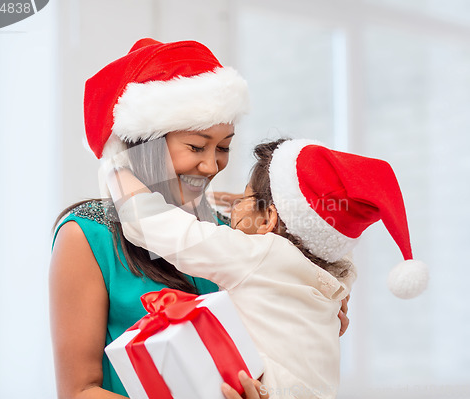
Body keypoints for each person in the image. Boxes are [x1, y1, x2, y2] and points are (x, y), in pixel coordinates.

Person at [49, 38, 350, 399]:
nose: (212, 166)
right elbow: (79, 391)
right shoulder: (88, 237)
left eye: (223, 147)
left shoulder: (227, 233)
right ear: (143, 143)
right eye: (196, 146)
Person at [106, 138, 429, 398]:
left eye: (245, 197)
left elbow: (156, 226)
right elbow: (312, 230)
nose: (233, 210)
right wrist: (248, 205)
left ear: (269, 219)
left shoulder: (260, 255)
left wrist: (115, 168)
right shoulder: (334, 272)